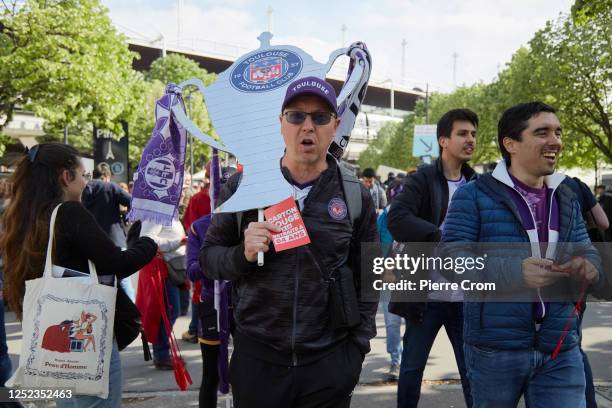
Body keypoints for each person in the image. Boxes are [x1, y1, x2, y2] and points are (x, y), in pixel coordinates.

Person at [200, 76, 379, 408]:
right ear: (281, 123)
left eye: (320, 117)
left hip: (328, 363)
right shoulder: (245, 186)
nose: (307, 126)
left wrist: (356, 350)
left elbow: (370, 276)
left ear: (335, 125)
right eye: (296, 116)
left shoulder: (355, 194)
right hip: (258, 361)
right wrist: (242, 254)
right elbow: (208, 259)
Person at [441, 102, 603, 408]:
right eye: (542, 132)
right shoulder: (473, 195)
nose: (556, 141)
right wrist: (515, 271)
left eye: (558, 132)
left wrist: (589, 268)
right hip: (495, 350)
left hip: (561, 348)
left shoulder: (567, 195)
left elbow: (589, 253)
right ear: (510, 143)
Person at [0, 143, 158, 407]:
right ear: (65, 176)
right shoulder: (68, 213)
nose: (86, 183)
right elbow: (114, 263)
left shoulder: (21, 217)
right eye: (83, 175)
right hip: (87, 335)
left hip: (54, 339)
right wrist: (150, 241)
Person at [387, 108, 478, 408]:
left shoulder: (477, 184)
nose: (470, 140)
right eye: (463, 133)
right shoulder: (423, 179)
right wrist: (441, 236)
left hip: (465, 297)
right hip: (424, 295)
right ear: (443, 140)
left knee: (472, 371)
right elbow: (397, 218)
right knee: (412, 369)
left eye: (474, 134)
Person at [82, 163, 136, 301]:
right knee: (123, 280)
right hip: (115, 240)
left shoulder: (83, 189)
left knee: (99, 281)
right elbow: (132, 202)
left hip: (91, 243)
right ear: (107, 176)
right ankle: (134, 315)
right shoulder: (110, 187)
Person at [139, 216, 187, 370]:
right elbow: (147, 240)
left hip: (173, 267)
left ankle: (162, 353)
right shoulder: (155, 214)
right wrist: (178, 242)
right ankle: (161, 354)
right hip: (162, 269)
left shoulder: (168, 211)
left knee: (171, 312)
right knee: (167, 313)